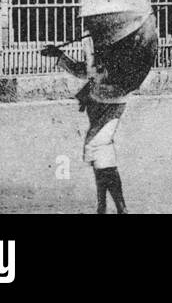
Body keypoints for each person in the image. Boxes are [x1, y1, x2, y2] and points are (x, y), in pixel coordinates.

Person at [43, 40, 135, 213]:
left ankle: (120, 208)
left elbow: (107, 73)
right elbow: (85, 71)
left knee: (97, 145)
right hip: (97, 102)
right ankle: (103, 206)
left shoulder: (115, 41)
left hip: (112, 101)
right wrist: (60, 56)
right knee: (99, 152)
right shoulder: (95, 38)